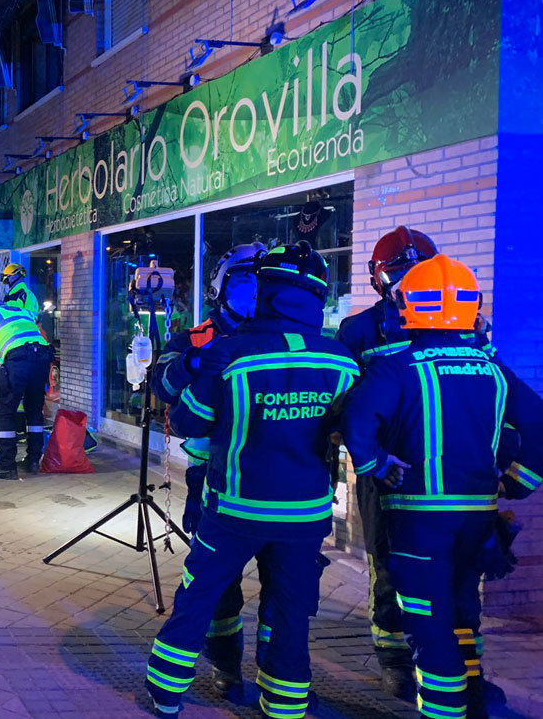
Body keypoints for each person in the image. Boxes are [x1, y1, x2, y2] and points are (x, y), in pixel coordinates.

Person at [145, 242, 359, 719]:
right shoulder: (342, 361)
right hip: (304, 514)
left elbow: (187, 421)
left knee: (199, 594)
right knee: (289, 609)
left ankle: (165, 692)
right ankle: (283, 702)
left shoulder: (233, 354)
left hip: (234, 507)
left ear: (266, 289)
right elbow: (354, 429)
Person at [342, 254, 543, 719]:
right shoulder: (494, 369)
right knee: (462, 612)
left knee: (430, 630)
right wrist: (517, 483)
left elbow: (357, 421)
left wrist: (375, 463)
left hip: (418, 520)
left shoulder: (397, 366)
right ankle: (473, 700)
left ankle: (445, 710)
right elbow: (538, 427)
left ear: (409, 304)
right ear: (469, 309)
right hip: (478, 519)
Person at [335, 226, 499, 699]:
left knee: (459, 575)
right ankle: (393, 657)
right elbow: (347, 404)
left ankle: (461, 666)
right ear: (379, 278)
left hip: (445, 470)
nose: (407, 282)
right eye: (398, 274)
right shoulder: (360, 331)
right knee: (386, 565)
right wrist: (368, 455)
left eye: (415, 272)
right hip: (386, 469)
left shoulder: (462, 325)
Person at [151, 242, 264, 698]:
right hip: (215, 477)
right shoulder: (195, 338)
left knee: (283, 586)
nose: (252, 289)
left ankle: (282, 678)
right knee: (221, 583)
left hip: (279, 478)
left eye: (259, 279)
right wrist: (194, 362)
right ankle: (227, 666)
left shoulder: (279, 335)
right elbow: (160, 384)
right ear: (220, 286)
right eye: (243, 279)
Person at [0, 303, 51, 479]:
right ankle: (33, 460)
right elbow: (43, 337)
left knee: (5, 411)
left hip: (17, 360)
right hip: (41, 358)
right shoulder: (26, 313)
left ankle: (7, 465)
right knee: (34, 411)